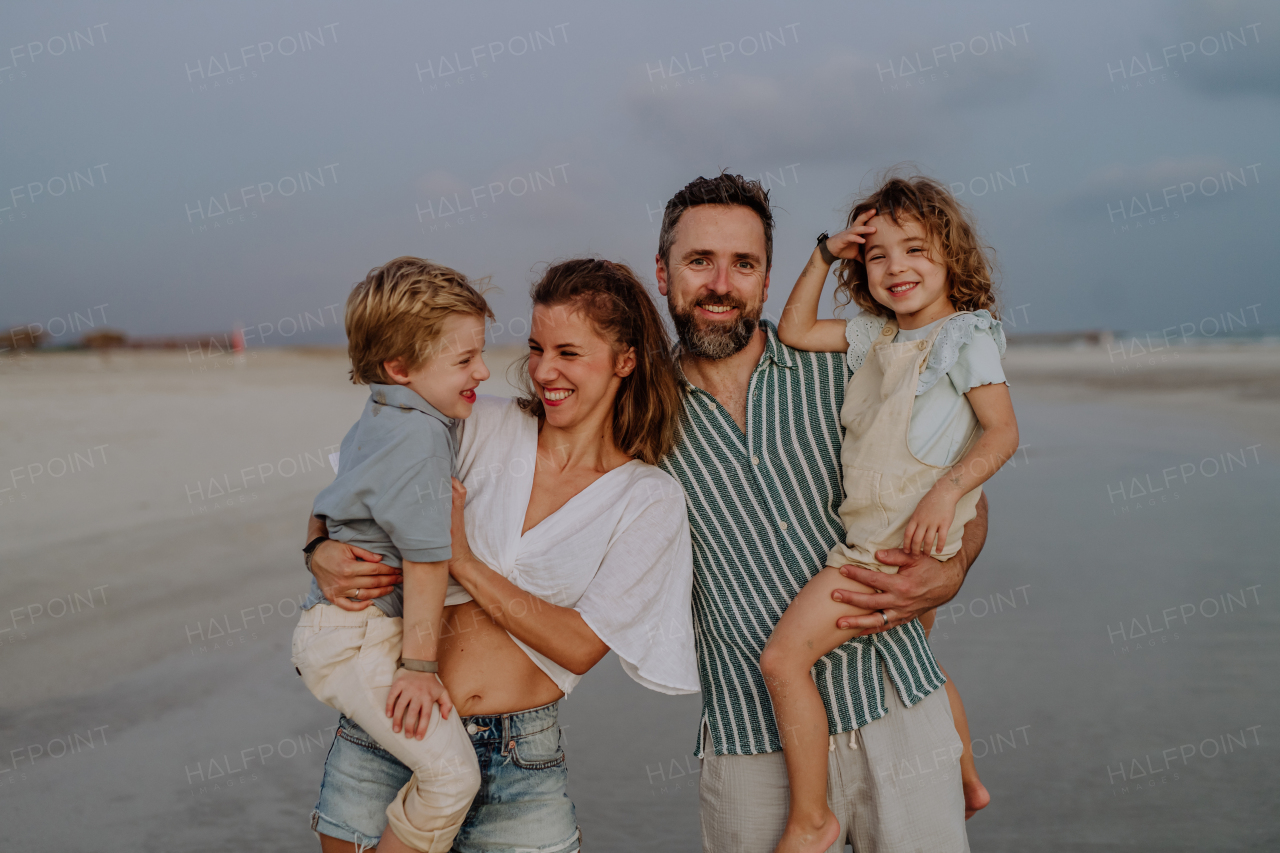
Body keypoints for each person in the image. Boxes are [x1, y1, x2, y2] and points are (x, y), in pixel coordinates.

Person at [303, 258, 699, 853]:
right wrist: (316, 548)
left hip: (520, 757)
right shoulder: (478, 423)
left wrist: (459, 557)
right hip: (392, 725)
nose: (542, 370)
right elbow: (356, 486)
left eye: (568, 352)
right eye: (537, 347)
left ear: (626, 359)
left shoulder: (647, 498)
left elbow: (578, 644)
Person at [653, 173, 989, 852]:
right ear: (663, 273)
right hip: (750, 735)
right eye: (699, 261)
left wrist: (949, 573)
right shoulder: (634, 413)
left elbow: (960, 490)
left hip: (895, 700)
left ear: (767, 279)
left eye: (743, 263)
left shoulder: (852, 362)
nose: (721, 283)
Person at [763, 174, 1019, 852]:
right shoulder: (874, 336)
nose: (897, 267)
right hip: (881, 535)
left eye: (916, 250)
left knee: (784, 658)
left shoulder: (967, 337)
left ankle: (812, 816)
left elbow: (1002, 433)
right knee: (920, 664)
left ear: (950, 259)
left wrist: (945, 490)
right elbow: (792, 329)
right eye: (878, 255)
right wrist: (825, 252)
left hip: (889, 547)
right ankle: (965, 775)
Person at [293, 257, 493, 853]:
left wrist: (314, 547)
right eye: (464, 360)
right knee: (454, 777)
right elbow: (429, 560)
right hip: (361, 634)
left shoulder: (381, 414)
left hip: (339, 628)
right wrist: (419, 667)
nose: (483, 370)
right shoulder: (420, 435)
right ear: (399, 367)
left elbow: (329, 509)